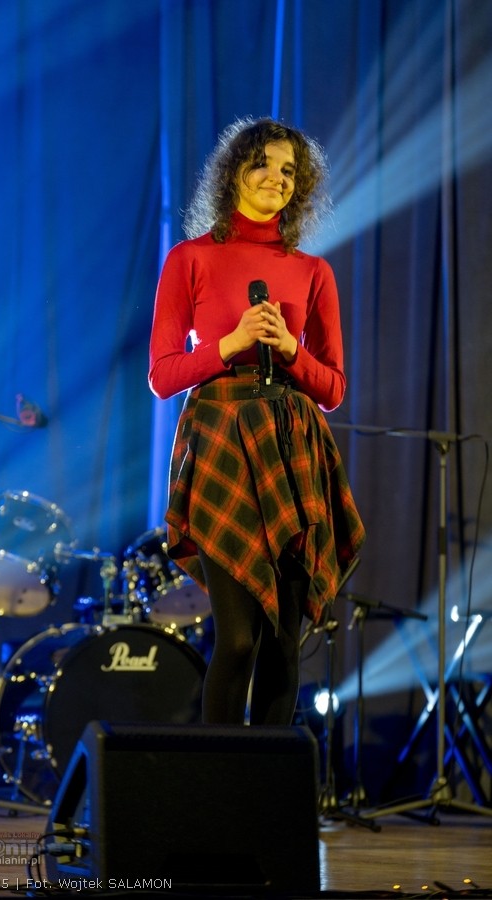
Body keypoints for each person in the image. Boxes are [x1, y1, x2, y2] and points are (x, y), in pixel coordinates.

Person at [148, 116, 365, 726]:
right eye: (263, 163)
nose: (277, 177)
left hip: (290, 448)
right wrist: (232, 342)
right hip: (222, 438)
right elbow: (163, 375)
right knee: (239, 640)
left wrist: (292, 351)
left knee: (282, 645)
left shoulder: (313, 271)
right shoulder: (189, 259)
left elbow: (334, 389)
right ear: (234, 172)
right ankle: (219, 777)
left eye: (289, 170)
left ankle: (267, 781)